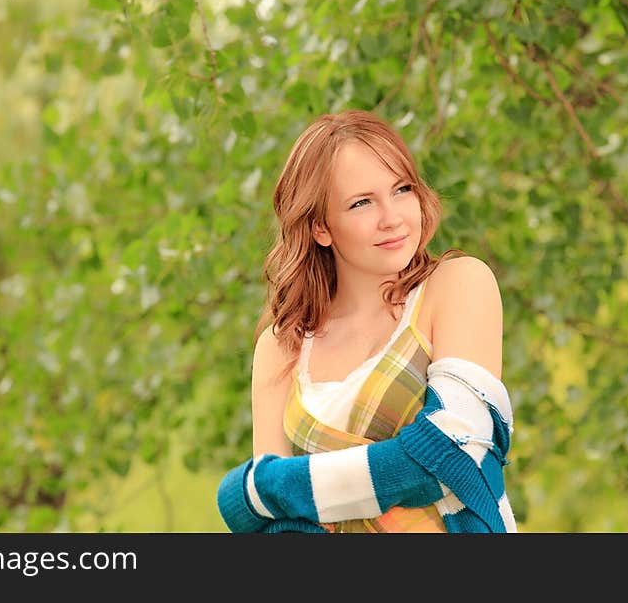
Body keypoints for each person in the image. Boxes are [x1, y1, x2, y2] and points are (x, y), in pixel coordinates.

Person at [216, 108, 517, 533]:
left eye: (402, 189)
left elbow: (451, 451)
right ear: (321, 227)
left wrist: (266, 488)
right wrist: (269, 501)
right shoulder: (281, 347)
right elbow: (278, 528)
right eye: (362, 203)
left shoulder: (457, 285)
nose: (391, 217)